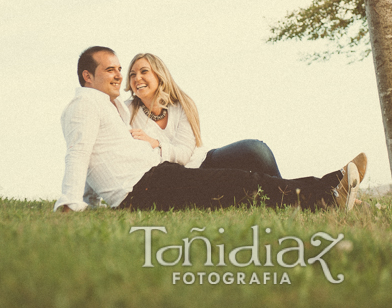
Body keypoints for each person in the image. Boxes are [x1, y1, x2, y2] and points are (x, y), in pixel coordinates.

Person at [54, 46, 366, 213]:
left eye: (120, 69)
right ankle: (328, 193)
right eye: (112, 69)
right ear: (87, 76)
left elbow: (100, 157)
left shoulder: (112, 107)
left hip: (158, 177)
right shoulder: (87, 105)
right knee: (243, 186)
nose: (121, 76)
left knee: (245, 180)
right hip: (145, 187)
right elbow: (79, 152)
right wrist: (70, 203)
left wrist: (91, 201)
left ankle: (329, 190)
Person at [125, 52, 282, 177]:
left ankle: (287, 194)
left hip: (205, 163)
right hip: (175, 178)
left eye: (144, 71)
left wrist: (155, 143)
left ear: (159, 75)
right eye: (132, 74)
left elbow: (184, 155)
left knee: (255, 150)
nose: (137, 78)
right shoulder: (127, 111)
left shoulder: (182, 105)